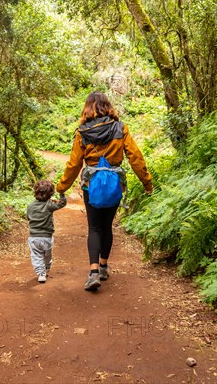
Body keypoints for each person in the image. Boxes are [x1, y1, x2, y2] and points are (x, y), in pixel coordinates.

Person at [56, 91, 153, 291]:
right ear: (108, 107)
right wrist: (147, 183)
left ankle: (92, 273)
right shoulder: (121, 128)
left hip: (91, 185)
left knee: (94, 227)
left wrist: (61, 187)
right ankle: (103, 266)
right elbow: (136, 157)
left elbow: (74, 164)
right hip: (114, 183)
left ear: (87, 108)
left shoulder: (82, 132)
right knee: (107, 226)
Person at [27, 179, 66, 283]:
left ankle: (41, 273)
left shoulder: (30, 206)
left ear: (35, 192)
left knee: (36, 256)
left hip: (34, 237)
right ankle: (47, 267)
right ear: (50, 194)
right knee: (47, 255)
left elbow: (28, 217)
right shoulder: (49, 205)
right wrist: (61, 194)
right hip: (47, 237)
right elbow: (62, 203)